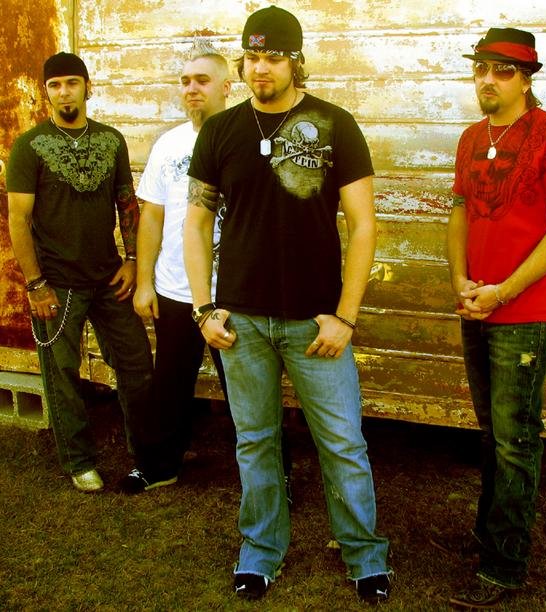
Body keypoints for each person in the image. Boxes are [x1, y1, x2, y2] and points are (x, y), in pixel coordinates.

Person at [183, 5, 390, 603]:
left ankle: (365, 556)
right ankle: (260, 551)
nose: (260, 68)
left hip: (315, 323)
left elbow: (364, 225)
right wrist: (203, 308)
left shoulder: (335, 124)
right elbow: (195, 224)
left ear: (296, 61)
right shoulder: (220, 130)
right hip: (240, 322)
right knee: (255, 442)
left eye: (273, 57)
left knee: (342, 442)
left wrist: (346, 315)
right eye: (251, 57)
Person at [443, 28, 546, 608]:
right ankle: (488, 536)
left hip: (523, 310)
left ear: (526, 79)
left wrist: (504, 291)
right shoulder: (471, 137)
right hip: (475, 302)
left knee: (515, 439)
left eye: (502, 70)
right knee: (492, 433)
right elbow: (459, 211)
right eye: (480, 67)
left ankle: (505, 565)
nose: (487, 79)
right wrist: (460, 280)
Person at [6, 52, 166, 493]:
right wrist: (35, 284)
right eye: (55, 85)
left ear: (87, 87)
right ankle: (79, 460)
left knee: (136, 361)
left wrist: (132, 260)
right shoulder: (29, 146)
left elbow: (126, 202)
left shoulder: (111, 141)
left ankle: (147, 452)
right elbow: (18, 219)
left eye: (72, 83)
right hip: (56, 284)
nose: (64, 93)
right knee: (62, 374)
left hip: (109, 277)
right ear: (46, 92)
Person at [126, 47, 232, 492]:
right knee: (169, 384)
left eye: (202, 80)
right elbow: (151, 216)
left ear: (227, 87)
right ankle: (159, 466)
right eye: (185, 80)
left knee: (247, 392)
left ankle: (269, 472)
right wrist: (145, 282)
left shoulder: (244, 139)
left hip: (231, 293)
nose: (192, 88)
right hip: (174, 288)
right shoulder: (168, 144)